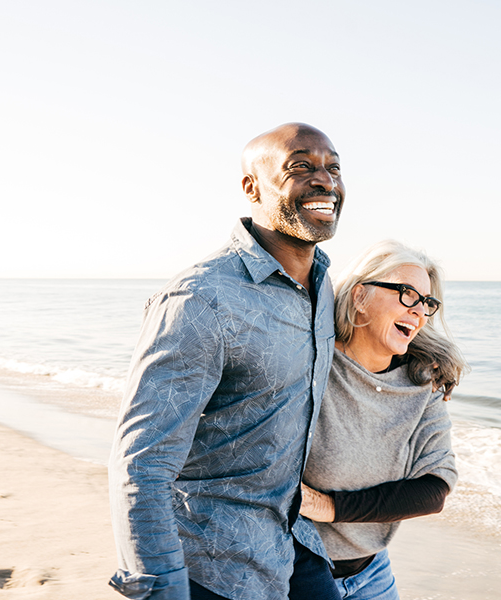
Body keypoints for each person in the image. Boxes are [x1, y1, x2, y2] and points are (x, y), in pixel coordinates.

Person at [108, 123, 346, 600]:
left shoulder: (322, 288)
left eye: (333, 168)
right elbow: (141, 464)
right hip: (209, 562)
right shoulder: (201, 300)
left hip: (288, 540)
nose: (325, 181)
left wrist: (434, 362)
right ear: (252, 188)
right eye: (301, 166)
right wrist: (163, 590)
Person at [292, 240, 468, 600]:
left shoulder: (423, 383)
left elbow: (433, 490)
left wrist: (329, 507)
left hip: (372, 572)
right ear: (360, 296)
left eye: (427, 303)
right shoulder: (310, 367)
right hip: (294, 568)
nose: (419, 312)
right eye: (407, 294)